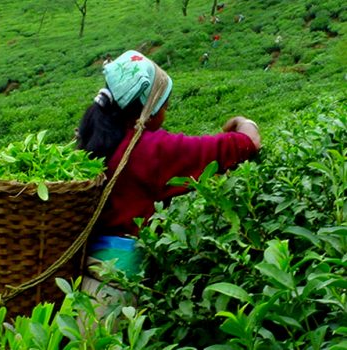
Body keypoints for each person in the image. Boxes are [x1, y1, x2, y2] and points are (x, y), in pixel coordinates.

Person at [76, 50, 260, 315]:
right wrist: (244, 122)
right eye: (163, 104)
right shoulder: (149, 148)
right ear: (147, 109)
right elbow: (247, 143)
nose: (167, 111)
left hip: (85, 277)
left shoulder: (95, 139)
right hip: (118, 291)